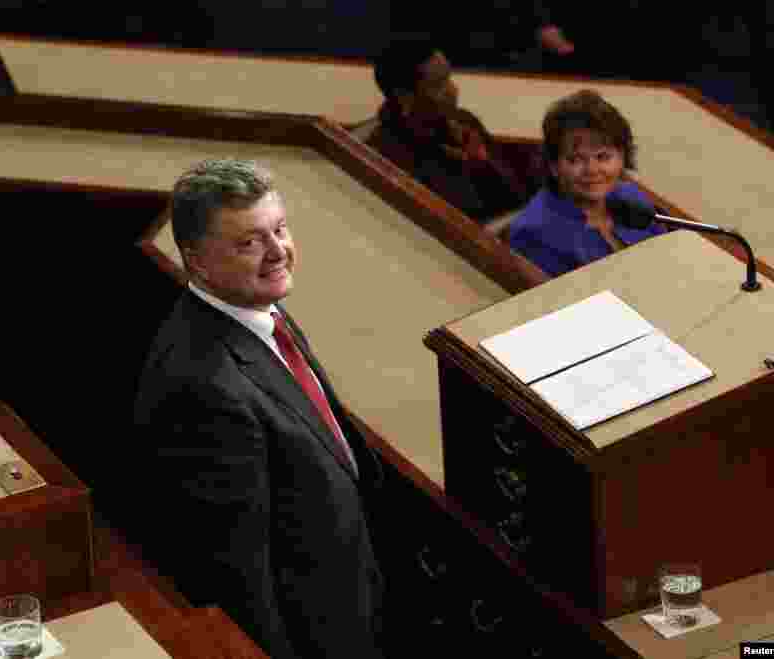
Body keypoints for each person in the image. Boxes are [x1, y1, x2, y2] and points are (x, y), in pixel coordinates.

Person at [128, 159, 386, 659]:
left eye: (280, 229)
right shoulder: (201, 387)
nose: (277, 252)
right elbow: (238, 576)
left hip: (350, 596)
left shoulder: (259, 311)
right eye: (249, 242)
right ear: (197, 261)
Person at [365, 38, 541, 223]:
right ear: (404, 96)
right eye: (439, 85)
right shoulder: (387, 155)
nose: (454, 91)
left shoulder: (464, 121)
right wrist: (468, 164)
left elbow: (516, 197)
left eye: (449, 78)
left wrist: (485, 165)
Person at [509, 89, 665, 277]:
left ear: (623, 157)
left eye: (603, 157)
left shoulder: (631, 195)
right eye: (575, 159)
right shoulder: (532, 232)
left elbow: (666, 260)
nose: (592, 170)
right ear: (554, 166)